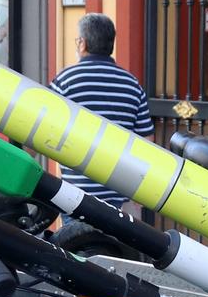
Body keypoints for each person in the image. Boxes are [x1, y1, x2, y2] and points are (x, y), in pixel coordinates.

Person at [51, 13, 154, 209]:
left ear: (82, 44)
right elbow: (147, 145)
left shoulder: (64, 83)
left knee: (76, 240)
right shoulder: (132, 85)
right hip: (122, 198)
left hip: (75, 196)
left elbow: (40, 126)